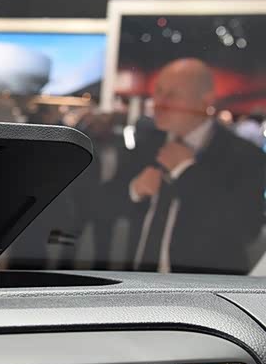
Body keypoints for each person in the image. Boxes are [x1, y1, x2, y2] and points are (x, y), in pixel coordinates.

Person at [108, 58, 266, 274]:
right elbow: (103, 203)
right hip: (138, 282)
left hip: (202, 287)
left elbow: (246, 228)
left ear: (205, 100)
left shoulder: (244, 156)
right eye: (158, 91)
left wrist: (186, 172)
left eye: (172, 94)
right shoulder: (148, 143)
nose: (158, 102)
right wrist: (135, 189)